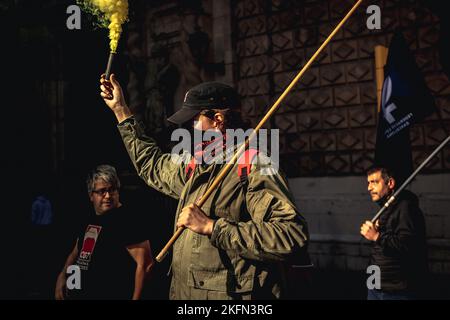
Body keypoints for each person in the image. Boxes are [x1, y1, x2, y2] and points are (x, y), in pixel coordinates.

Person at [99, 74, 309, 299]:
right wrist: (121, 110)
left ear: (217, 120)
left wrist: (212, 227)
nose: (190, 127)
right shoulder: (196, 165)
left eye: (194, 119)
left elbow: (291, 236)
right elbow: (152, 166)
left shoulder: (254, 165)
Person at [55, 165, 154, 300]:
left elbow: (146, 265)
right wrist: (62, 276)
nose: (108, 196)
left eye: (112, 190)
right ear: (91, 195)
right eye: (102, 191)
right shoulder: (89, 219)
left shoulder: (127, 220)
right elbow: (77, 252)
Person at [361, 166, 428, 300]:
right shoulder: (387, 208)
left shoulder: (406, 208)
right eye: (368, 183)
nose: (369, 188)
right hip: (375, 284)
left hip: (396, 290)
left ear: (390, 183)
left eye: (374, 182)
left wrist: (376, 236)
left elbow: (408, 246)